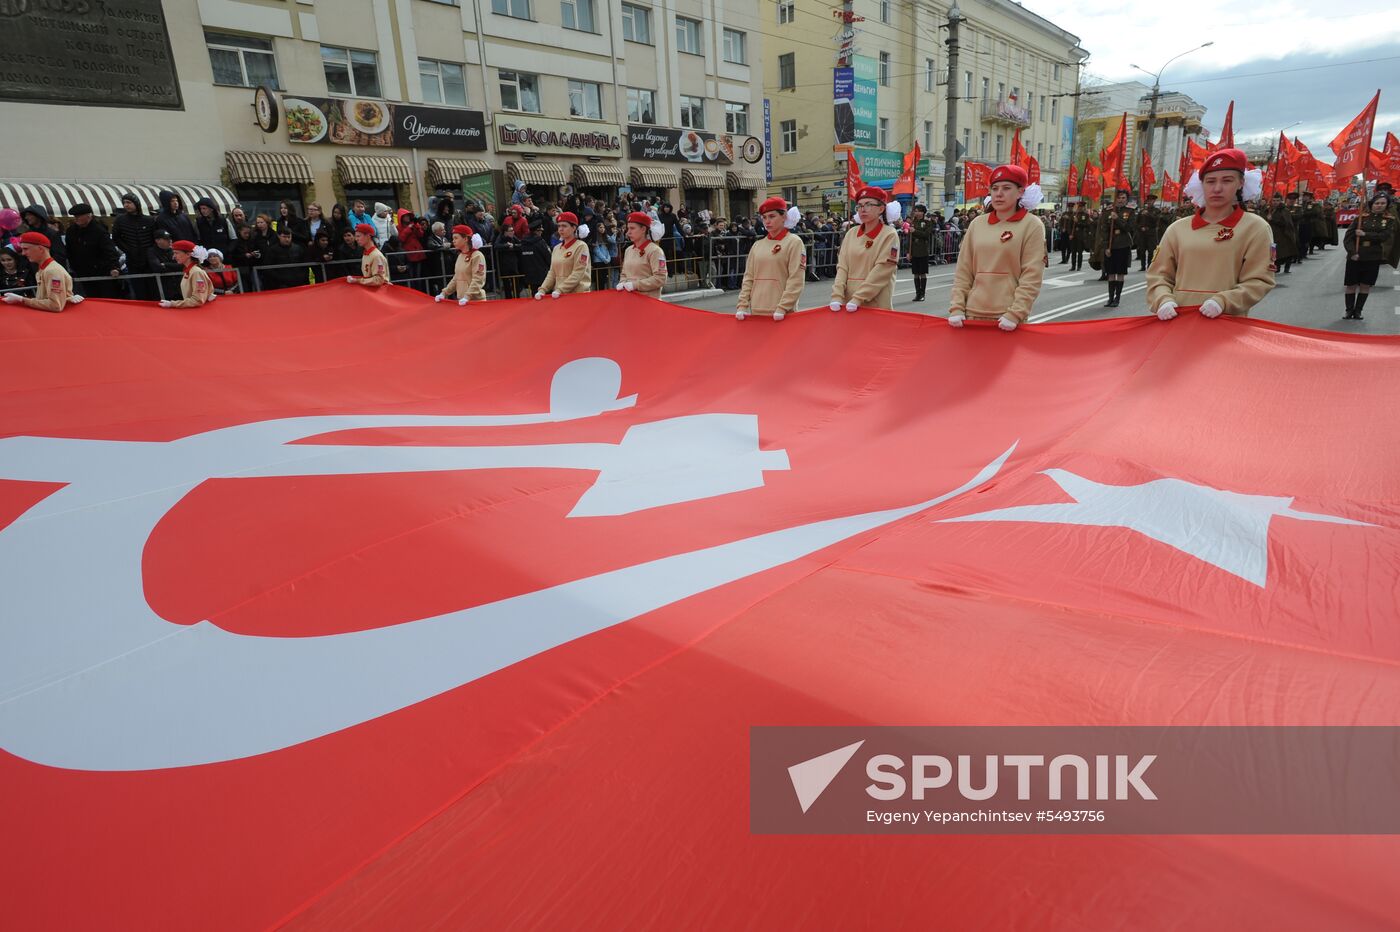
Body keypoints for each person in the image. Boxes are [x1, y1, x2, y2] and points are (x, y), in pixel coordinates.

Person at [1148, 148, 1274, 321]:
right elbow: (1158, 275)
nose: (1217, 188)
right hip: (1178, 322)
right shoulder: (1178, 229)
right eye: (1210, 181)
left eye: (1227, 180)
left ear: (1240, 183)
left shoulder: (1255, 228)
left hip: (1226, 323)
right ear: (1202, 185)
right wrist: (1163, 300)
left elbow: (1260, 280)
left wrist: (1223, 301)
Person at [947, 164, 1046, 332]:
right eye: (994, 188)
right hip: (972, 314)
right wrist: (957, 307)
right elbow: (964, 270)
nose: (999, 194)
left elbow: (1032, 275)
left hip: (1007, 319)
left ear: (1020, 192)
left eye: (1006, 188)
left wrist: (1016, 313)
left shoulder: (1032, 225)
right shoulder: (977, 224)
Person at [831, 186, 901, 312]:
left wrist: (858, 298)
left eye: (868, 205)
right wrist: (837, 295)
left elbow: (883, 270)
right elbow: (842, 266)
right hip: (849, 304)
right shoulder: (851, 233)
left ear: (881, 208)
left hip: (875, 303)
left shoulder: (889, 234)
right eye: (859, 206)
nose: (863, 209)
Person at [735, 196, 805, 321]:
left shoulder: (794, 242)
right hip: (757, 311)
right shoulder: (757, 245)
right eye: (764, 217)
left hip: (782, 313)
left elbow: (796, 279)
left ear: (784, 217)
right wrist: (742, 304)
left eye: (772, 216)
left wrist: (783, 307)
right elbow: (748, 278)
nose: (767, 221)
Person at [1341, 193, 1395, 320]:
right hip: (1356, 255)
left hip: (1373, 256)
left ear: (1386, 205)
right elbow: (1348, 238)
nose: (1379, 206)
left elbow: (1384, 236)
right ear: (1372, 204)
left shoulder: (1389, 220)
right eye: (1377, 203)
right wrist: (1352, 252)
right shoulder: (1361, 218)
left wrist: (1365, 234)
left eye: (1382, 203)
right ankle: (1349, 311)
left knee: (1366, 285)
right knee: (1351, 284)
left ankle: (1358, 311)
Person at [2, 232, 81, 312]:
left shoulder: (52, 271)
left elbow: (55, 306)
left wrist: (22, 299)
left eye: (26, 249)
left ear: (40, 249)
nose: (23, 253)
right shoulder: (44, 269)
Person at [64, 203, 122, 298]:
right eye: (75, 216)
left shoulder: (99, 230)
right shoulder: (71, 231)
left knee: (105, 298)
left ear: (88, 216)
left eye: (79, 216)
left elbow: (109, 250)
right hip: (82, 272)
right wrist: (74, 267)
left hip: (101, 272)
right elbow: (69, 251)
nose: (76, 218)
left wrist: (114, 267)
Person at [1094, 188, 1136, 307]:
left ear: (1127, 199)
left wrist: (1117, 218)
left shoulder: (1130, 211)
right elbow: (1104, 230)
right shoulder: (1108, 211)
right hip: (1110, 247)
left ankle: (1117, 299)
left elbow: (1129, 228)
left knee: (1120, 273)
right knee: (1111, 273)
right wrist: (1106, 246)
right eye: (1119, 198)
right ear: (1115, 199)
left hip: (1123, 245)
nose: (1121, 200)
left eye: (1123, 198)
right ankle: (1110, 298)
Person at [536, 211, 591, 299]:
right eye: (559, 226)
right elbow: (552, 272)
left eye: (564, 226)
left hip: (577, 295)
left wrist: (560, 290)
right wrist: (542, 289)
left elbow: (578, 272)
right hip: (559, 295)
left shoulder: (581, 246)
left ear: (573, 228)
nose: (560, 229)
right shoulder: (556, 248)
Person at [112, 192, 156, 297]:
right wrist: (128, 249)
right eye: (124, 203)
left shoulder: (149, 220)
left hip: (149, 260)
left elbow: (154, 237)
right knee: (138, 290)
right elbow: (116, 238)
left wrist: (151, 252)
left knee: (153, 290)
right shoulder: (120, 220)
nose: (126, 205)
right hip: (132, 260)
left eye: (129, 202)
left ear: (136, 203)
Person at [615, 211, 668, 298]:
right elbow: (624, 273)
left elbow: (660, 278)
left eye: (632, 228)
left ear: (643, 229)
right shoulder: (628, 250)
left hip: (649, 302)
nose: (628, 233)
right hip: (631, 300)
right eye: (628, 229)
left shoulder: (655, 251)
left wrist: (636, 285)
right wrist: (622, 282)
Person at [436, 225, 487, 305]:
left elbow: (478, 279)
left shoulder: (477, 255)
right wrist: (444, 293)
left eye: (456, 238)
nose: (453, 241)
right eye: (453, 238)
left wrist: (467, 296)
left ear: (465, 239)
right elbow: (456, 278)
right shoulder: (461, 255)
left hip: (475, 301)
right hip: (462, 300)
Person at [156, 240, 215, 309]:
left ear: (188, 254)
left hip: (200, 312)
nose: (174, 257)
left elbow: (197, 300)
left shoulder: (196, 272)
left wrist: (172, 304)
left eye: (176, 253)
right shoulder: (190, 270)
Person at [1265, 193, 1298, 274]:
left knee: (1285, 251)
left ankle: (1286, 267)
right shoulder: (1269, 209)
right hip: (1272, 234)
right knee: (1274, 251)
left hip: (1283, 235)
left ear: (1281, 201)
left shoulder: (1284, 210)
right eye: (1273, 200)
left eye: (1277, 200)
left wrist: (1272, 220)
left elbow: (1286, 223)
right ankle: (1276, 266)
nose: (1275, 202)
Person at [145, 229, 184, 301]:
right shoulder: (151, 251)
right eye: (166, 239)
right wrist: (175, 266)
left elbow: (183, 265)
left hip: (180, 289)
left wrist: (166, 264)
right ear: (157, 240)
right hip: (163, 290)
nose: (169, 240)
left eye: (170, 238)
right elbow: (157, 268)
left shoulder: (176, 249)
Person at [907, 204, 935, 301]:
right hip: (914, 250)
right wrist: (908, 252)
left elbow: (926, 235)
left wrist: (915, 231)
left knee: (922, 273)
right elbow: (909, 238)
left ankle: (922, 294)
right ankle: (917, 294)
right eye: (915, 210)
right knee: (915, 273)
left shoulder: (927, 222)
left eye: (919, 211)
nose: (916, 212)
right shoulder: (912, 222)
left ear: (923, 212)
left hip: (923, 250)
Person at [519, 218, 551, 297]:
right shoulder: (540, 242)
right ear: (537, 231)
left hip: (530, 276)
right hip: (543, 276)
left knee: (535, 297)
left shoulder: (523, 243)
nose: (541, 233)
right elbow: (548, 258)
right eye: (540, 231)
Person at [1135, 193, 1162, 271]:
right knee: (1142, 250)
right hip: (1142, 233)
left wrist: (1148, 214)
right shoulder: (1142, 211)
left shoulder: (1157, 211)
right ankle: (1143, 266)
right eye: (1148, 200)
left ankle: (1150, 265)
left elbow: (1156, 220)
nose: (1149, 202)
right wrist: (1140, 228)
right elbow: (1136, 222)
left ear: (1154, 201)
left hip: (1151, 233)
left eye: (1151, 200)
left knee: (1151, 250)